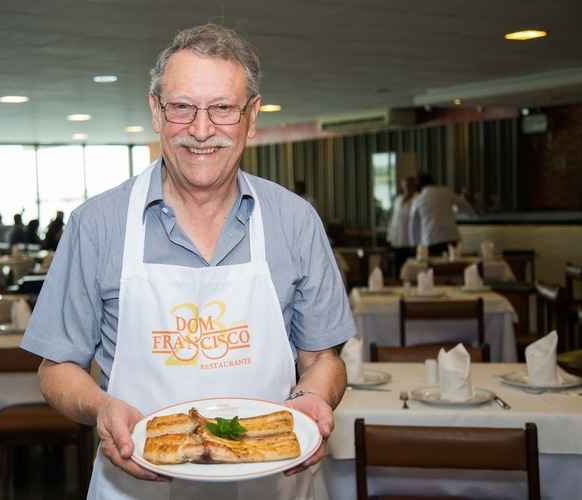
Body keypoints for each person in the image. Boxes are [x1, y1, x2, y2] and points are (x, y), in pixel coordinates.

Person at [20, 24, 355, 500]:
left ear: (252, 115)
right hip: (135, 485)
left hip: (274, 480)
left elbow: (323, 358)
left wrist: (314, 398)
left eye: (222, 108)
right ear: (156, 111)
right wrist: (100, 407)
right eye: (182, 107)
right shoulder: (97, 224)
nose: (201, 130)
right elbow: (56, 369)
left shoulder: (295, 221)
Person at [409, 173, 475, 256]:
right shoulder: (446, 192)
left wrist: (414, 245)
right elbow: (464, 205)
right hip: (451, 236)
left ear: (418, 185)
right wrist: (471, 214)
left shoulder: (418, 200)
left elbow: (413, 226)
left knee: (435, 267)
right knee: (453, 266)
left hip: (431, 239)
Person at [386, 176, 417, 272]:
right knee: (398, 267)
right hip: (397, 240)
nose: (407, 187)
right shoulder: (398, 200)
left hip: (411, 241)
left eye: (409, 185)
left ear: (414, 186)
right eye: (405, 185)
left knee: (410, 268)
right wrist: (389, 237)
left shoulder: (417, 199)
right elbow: (393, 220)